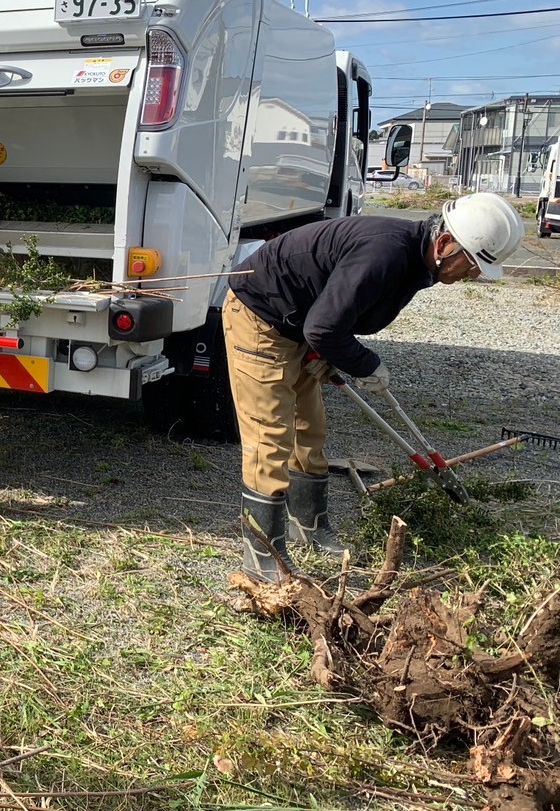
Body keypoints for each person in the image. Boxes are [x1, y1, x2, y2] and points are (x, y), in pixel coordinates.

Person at [222, 192, 525, 581]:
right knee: (271, 436)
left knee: (309, 429)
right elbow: (324, 327)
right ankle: (262, 557)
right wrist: (365, 364)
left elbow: (335, 313)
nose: (474, 275)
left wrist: (327, 351)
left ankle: (308, 526)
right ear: (445, 243)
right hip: (261, 315)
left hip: (298, 322)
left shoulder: (418, 260)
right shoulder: (385, 254)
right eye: (472, 263)